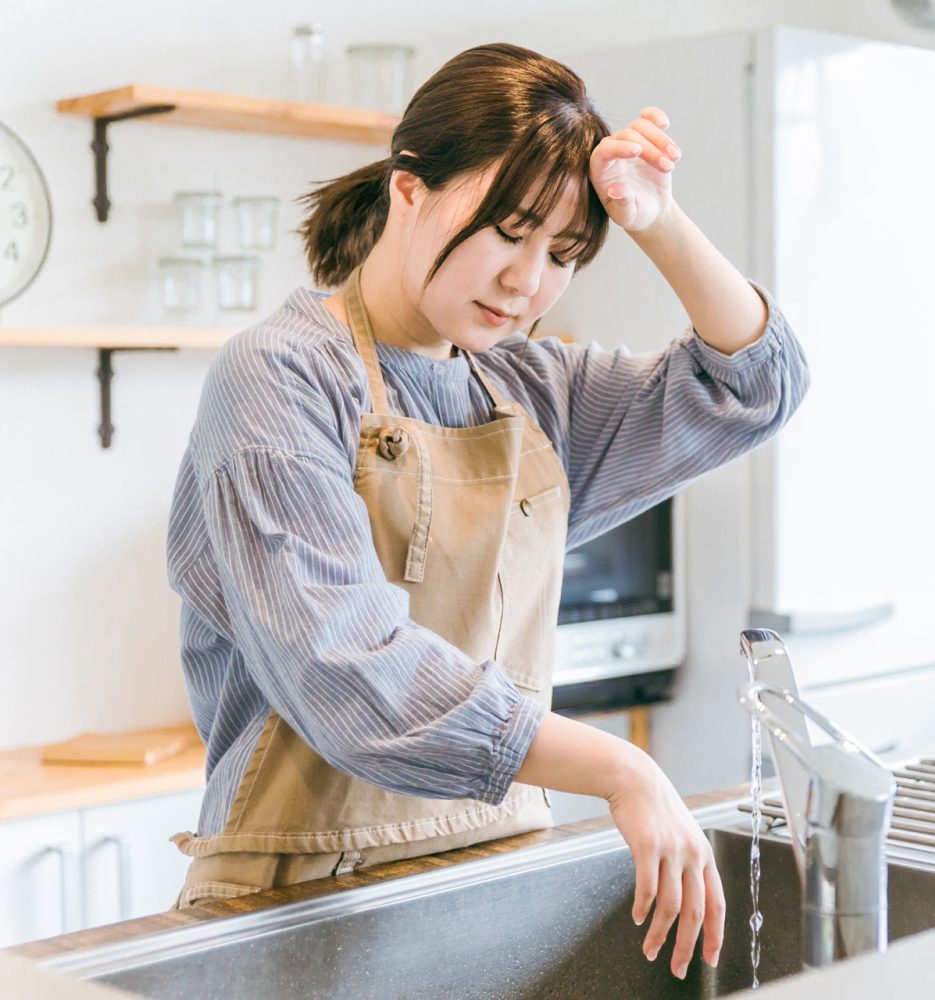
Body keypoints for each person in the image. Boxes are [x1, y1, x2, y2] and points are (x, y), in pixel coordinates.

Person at [164, 42, 809, 982]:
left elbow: (757, 386)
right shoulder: (281, 377)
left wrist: (657, 221)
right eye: (509, 231)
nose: (528, 283)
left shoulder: (531, 391)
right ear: (409, 189)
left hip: (493, 884)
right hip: (297, 913)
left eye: (565, 253)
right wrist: (619, 768)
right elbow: (348, 673)